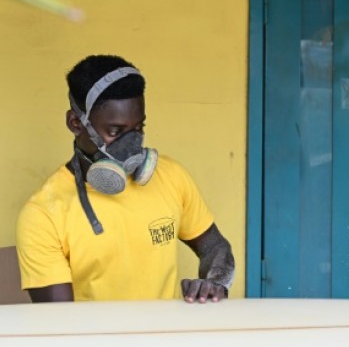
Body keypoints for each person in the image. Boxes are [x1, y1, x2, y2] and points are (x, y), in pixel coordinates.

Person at [16, 54, 235, 304]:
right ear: (76, 123)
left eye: (138, 129)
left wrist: (214, 283)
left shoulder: (172, 176)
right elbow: (60, 324)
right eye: (115, 131)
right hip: (96, 343)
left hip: (166, 340)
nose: (131, 146)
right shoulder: (43, 213)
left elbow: (215, 247)